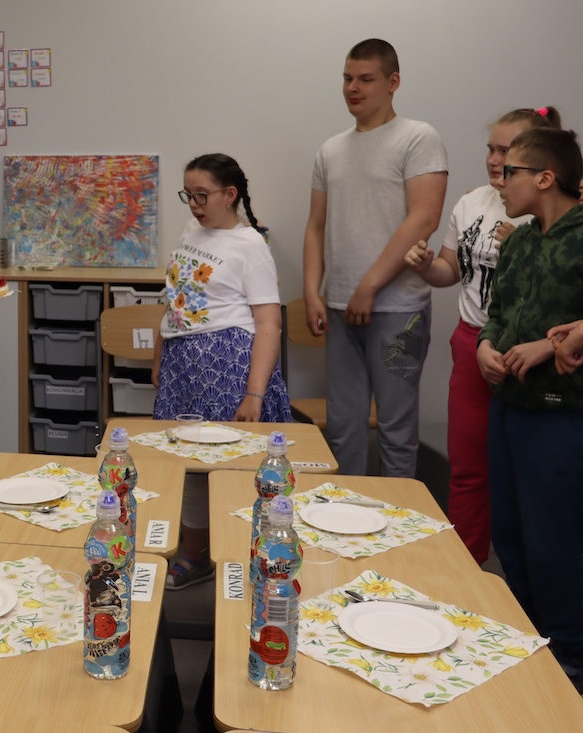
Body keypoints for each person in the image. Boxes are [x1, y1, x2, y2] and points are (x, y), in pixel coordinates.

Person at [403, 107, 561, 564]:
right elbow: (450, 270)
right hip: (473, 342)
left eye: (506, 150)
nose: (494, 159)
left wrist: (523, 249)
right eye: (491, 148)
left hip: (532, 352)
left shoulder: (554, 211)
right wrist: (425, 266)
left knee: (526, 475)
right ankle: (466, 567)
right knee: (468, 469)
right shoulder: (471, 202)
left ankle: (528, 580)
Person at [302, 38, 448, 477]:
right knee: (343, 430)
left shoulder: (418, 138)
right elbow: (316, 226)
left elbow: (424, 218)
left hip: (397, 309)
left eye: (366, 79)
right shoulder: (330, 149)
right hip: (339, 308)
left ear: (392, 82)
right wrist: (311, 292)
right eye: (348, 78)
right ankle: (343, 514)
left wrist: (368, 287)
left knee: (395, 433)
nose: (353, 88)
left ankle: (397, 519)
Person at [150, 153, 290, 590]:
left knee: (233, 468)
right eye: (188, 195)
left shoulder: (250, 245)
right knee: (188, 464)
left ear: (229, 195)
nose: (194, 205)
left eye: (202, 195)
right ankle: (196, 556)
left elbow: (269, 323)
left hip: (227, 368)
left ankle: (247, 558)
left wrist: (254, 394)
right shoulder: (192, 229)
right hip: (183, 368)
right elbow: (173, 298)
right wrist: (160, 357)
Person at [476, 126, 583, 693]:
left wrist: (548, 343)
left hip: (561, 412)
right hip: (509, 407)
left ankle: (570, 655)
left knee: (555, 540)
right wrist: (485, 347)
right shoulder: (516, 242)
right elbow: (496, 313)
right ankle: (527, 636)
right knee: (510, 533)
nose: (500, 178)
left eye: (511, 170)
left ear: (545, 178)